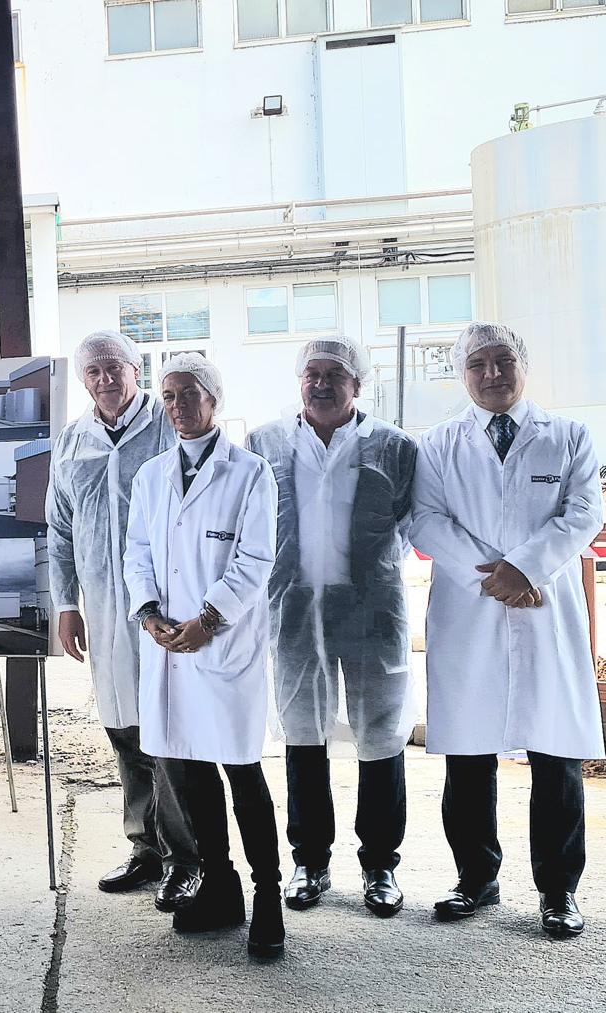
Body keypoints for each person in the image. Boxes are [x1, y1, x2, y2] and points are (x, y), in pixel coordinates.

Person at [409, 321, 603, 940]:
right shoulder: (439, 442)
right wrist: (492, 577)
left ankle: (557, 893)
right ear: (462, 374)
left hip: (546, 607)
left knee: (556, 755)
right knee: (468, 754)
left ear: (524, 364)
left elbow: (584, 512)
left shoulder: (569, 435)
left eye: (502, 362)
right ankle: (476, 879)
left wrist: (525, 566)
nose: (490, 374)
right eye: (477, 365)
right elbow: (424, 519)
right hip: (472, 610)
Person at [246, 339, 417, 918]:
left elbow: (418, 523)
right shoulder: (265, 442)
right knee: (303, 731)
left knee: (381, 733)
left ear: (357, 385)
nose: (320, 384)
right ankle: (310, 861)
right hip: (294, 609)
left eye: (334, 375)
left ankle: (380, 867)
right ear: (298, 382)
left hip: (371, 610)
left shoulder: (393, 446)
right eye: (310, 374)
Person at [123, 353, 285, 959]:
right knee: (189, 772)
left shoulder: (251, 473)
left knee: (241, 771)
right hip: (168, 645)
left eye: (188, 394)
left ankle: (269, 898)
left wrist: (208, 618)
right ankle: (221, 889)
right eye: (167, 396)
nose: (176, 406)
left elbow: (256, 561)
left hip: (223, 644)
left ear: (213, 399)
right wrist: (150, 613)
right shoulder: (151, 475)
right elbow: (135, 551)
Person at [47, 330, 199, 909]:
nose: (106, 380)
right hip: (104, 609)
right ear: (83, 380)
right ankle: (146, 848)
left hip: (164, 605)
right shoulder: (71, 442)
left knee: (170, 730)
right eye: (94, 372)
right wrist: (65, 604)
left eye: (116, 369)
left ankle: (189, 857)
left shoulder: (167, 427)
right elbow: (59, 531)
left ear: (136, 371)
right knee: (123, 729)